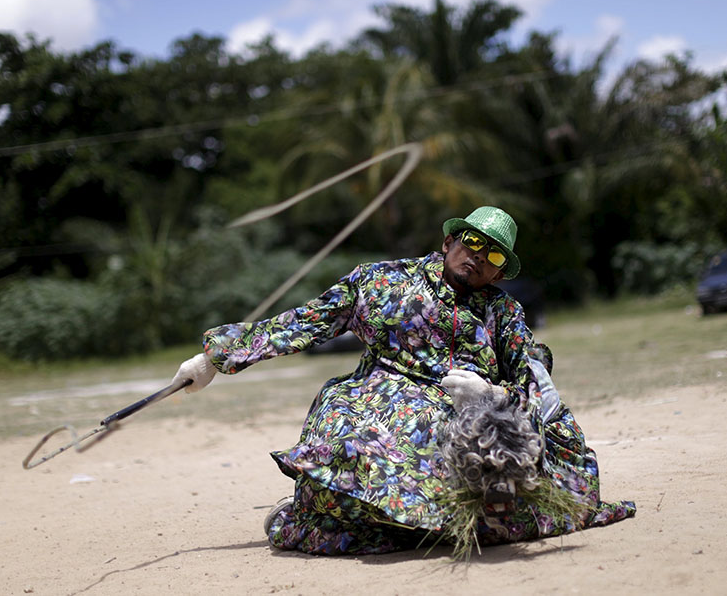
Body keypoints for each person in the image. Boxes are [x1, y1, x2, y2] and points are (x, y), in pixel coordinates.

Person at [172, 206, 635, 555]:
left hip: (462, 426)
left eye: (493, 254)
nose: (478, 257)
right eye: (472, 242)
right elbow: (306, 322)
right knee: (348, 457)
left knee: (510, 499)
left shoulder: (503, 311)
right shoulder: (381, 282)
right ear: (451, 239)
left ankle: (414, 522)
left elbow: (533, 375)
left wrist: (492, 395)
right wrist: (216, 358)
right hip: (375, 405)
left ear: (500, 269)